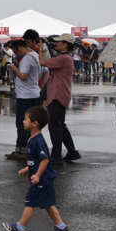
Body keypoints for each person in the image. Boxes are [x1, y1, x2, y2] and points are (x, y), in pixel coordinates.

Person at [2, 105, 70, 231]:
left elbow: (45, 160)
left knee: (30, 202)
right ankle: (61, 227)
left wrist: (37, 175)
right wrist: (27, 169)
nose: (23, 121)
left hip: (42, 179)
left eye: (26, 119)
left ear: (35, 124)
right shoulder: (32, 139)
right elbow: (36, 161)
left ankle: (20, 228)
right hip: (44, 178)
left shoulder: (38, 141)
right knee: (48, 204)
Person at [40, 33, 81, 164]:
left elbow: (42, 62)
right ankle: (72, 152)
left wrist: (40, 49)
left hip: (57, 95)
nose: (56, 44)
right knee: (60, 125)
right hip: (61, 94)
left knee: (55, 126)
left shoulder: (63, 58)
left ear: (65, 44)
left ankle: (56, 155)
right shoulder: (66, 57)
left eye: (59, 42)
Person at [5, 38, 44, 160]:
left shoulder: (27, 58)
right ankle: (30, 149)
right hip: (35, 93)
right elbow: (46, 72)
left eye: (16, 52)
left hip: (25, 96)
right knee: (32, 124)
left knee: (22, 123)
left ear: (20, 48)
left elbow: (23, 76)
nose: (16, 54)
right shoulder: (36, 56)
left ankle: (21, 150)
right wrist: (40, 88)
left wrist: (15, 69)